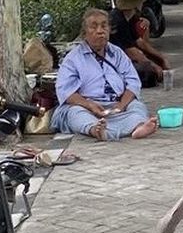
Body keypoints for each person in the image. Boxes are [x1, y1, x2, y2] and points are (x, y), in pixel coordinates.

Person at [52, 9, 158, 141]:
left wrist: (121, 105)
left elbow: (133, 82)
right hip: (88, 108)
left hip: (116, 104)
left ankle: (138, 127)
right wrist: (90, 105)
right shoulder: (73, 59)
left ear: (109, 30)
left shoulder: (117, 53)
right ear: (85, 33)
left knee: (137, 106)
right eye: (94, 26)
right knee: (74, 114)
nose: (100, 30)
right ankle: (96, 130)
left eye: (104, 26)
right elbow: (66, 92)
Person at [109, 0, 170, 87]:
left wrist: (161, 57)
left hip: (127, 55)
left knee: (158, 62)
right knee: (149, 74)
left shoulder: (131, 17)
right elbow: (131, 51)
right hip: (116, 59)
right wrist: (153, 66)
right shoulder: (117, 20)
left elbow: (139, 42)